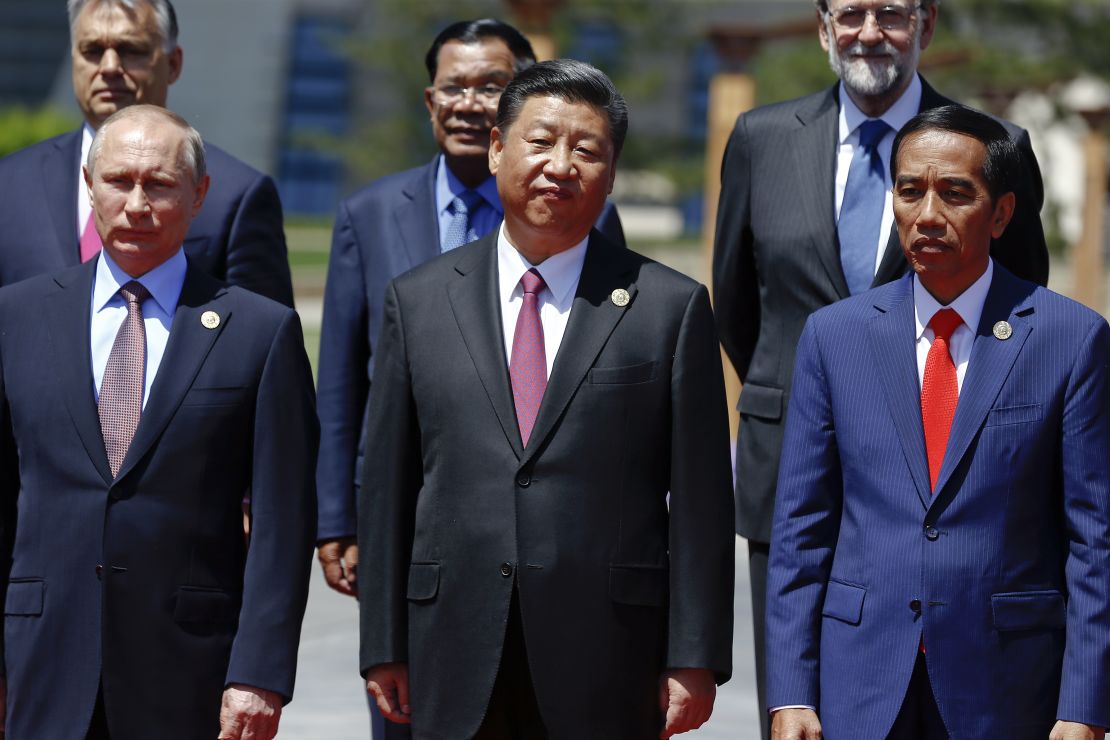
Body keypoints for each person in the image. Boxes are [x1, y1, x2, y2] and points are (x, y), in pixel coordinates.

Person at [357, 60, 735, 739]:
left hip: (610, 651)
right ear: (499, 148)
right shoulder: (417, 301)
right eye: (541, 141)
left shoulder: (669, 309)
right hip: (452, 640)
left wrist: (696, 656)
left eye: (586, 149)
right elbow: (389, 483)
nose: (561, 165)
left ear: (610, 172)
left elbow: (702, 504)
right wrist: (382, 640)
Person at [710, 2, 1050, 734]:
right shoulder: (760, 138)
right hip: (788, 477)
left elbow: (1021, 317)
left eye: (891, 13)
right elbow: (737, 301)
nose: (871, 31)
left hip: (944, 479)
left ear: (925, 24)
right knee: (797, 708)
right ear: (823, 26)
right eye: (852, 12)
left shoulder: (992, 144)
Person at [766, 105, 1110, 739]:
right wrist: (790, 691)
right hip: (862, 681)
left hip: (1006, 686)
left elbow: (1095, 540)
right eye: (909, 191)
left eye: (956, 194)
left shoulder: (1070, 338)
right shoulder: (834, 337)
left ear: (1002, 213)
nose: (928, 215)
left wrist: (1083, 704)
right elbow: (799, 531)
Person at [0, 105, 317, 740]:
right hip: (40, 656)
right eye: (119, 181)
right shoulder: (18, 316)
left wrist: (260, 672)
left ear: (199, 194)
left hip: (188, 666)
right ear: (89, 184)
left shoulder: (256, 330)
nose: (137, 203)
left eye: (161, 183)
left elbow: (284, 522)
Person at [315, 19, 626, 608]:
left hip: (540, 515)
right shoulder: (369, 213)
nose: (468, 104)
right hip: (400, 505)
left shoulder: (583, 212)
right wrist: (336, 517)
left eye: (490, 87)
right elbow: (340, 378)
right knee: (399, 689)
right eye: (452, 88)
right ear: (430, 100)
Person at [0, 0, 294, 307]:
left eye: (131, 50)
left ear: (174, 63)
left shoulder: (236, 195)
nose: (110, 66)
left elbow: (264, 344)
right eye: (92, 51)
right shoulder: (9, 185)